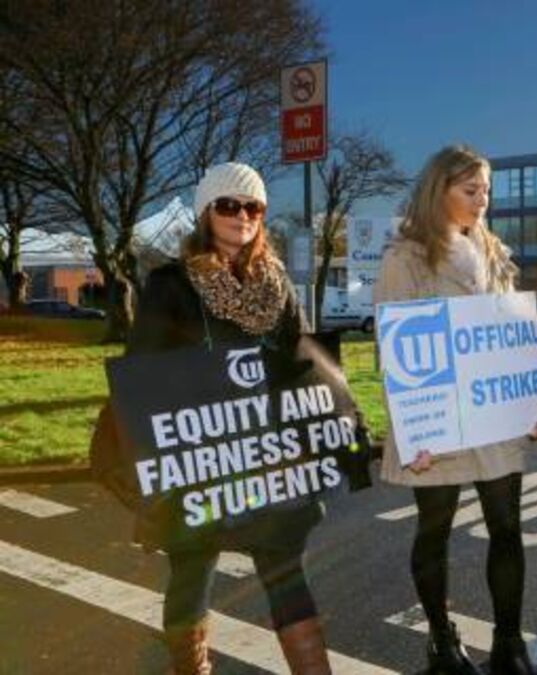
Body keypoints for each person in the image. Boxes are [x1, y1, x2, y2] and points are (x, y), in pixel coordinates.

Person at [127, 162, 333, 674]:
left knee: (286, 571)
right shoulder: (171, 284)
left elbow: (303, 364)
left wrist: (331, 425)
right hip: (199, 458)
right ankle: (191, 666)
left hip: (267, 457)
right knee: (192, 571)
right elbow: (141, 374)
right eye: (229, 205)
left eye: (253, 207)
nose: (242, 215)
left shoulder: (278, 284)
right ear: (206, 212)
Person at [373, 145, 537, 675]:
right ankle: (442, 644)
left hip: (493, 417)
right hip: (438, 421)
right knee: (435, 531)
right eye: (471, 190)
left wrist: (531, 403)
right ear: (439, 190)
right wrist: (414, 431)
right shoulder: (405, 258)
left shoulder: (493, 252)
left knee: (507, 527)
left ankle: (509, 645)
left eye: (487, 190)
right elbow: (395, 351)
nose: (482, 200)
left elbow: (511, 338)